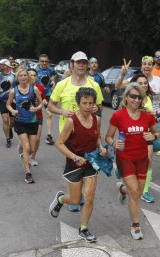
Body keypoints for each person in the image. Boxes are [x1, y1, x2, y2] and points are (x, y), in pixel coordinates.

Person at [49, 87, 106, 243]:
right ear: (78, 103)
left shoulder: (97, 119)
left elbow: (96, 136)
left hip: (90, 164)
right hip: (74, 164)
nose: (88, 106)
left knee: (89, 197)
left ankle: (84, 228)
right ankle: (61, 199)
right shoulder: (71, 121)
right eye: (84, 103)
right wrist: (74, 157)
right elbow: (59, 143)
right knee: (75, 200)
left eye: (90, 103)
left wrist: (100, 147)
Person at [48, 51, 103, 211]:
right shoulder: (62, 84)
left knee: (87, 166)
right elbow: (50, 105)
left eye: (84, 63)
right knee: (75, 163)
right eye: (78, 62)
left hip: (88, 133)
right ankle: (74, 198)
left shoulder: (94, 84)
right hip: (68, 136)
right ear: (71, 64)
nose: (81, 65)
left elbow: (99, 107)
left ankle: (76, 198)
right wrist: (62, 112)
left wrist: (96, 108)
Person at [105, 82, 158, 240]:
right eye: (133, 96)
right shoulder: (118, 116)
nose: (136, 100)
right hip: (125, 158)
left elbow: (156, 134)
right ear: (126, 97)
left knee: (138, 192)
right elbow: (107, 136)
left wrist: (152, 136)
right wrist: (114, 142)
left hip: (142, 159)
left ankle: (122, 189)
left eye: (139, 97)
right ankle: (136, 225)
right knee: (135, 192)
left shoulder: (148, 117)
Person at [129, 74, 160, 203]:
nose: (144, 85)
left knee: (148, 160)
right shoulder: (131, 98)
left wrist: (156, 119)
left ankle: (145, 191)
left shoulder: (149, 98)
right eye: (141, 83)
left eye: (145, 83)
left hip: (147, 134)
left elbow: (151, 117)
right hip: (133, 134)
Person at [6, 68, 43, 183]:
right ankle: (28, 173)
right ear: (17, 78)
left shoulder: (34, 89)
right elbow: (8, 104)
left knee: (32, 149)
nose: (23, 77)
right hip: (20, 122)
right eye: (20, 76)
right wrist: (12, 111)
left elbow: (41, 103)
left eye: (24, 75)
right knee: (27, 148)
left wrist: (36, 108)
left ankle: (24, 155)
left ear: (28, 77)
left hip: (32, 122)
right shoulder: (14, 91)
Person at [0, 59, 17, 148]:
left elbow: (18, 86)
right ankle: (8, 139)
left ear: (6, 66)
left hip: (12, 100)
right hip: (1, 100)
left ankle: (10, 129)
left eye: (1, 64)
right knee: (5, 119)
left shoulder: (14, 76)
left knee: (12, 121)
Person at [27, 68, 46, 166]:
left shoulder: (40, 87)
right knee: (27, 139)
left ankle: (33, 156)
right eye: (31, 75)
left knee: (37, 139)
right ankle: (23, 149)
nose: (33, 77)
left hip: (38, 115)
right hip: (25, 117)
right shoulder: (22, 87)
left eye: (35, 75)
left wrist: (44, 102)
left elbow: (43, 100)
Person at [37, 54, 56, 145]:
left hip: (47, 95)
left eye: (46, 61)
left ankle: (49, 135)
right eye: (42, 61)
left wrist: (52, 80)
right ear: (39, 61)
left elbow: (53, 76)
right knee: (35, 114)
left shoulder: (51, 70)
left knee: (49, 114)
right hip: (36, 95)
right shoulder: (35, 70)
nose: (44, 63)